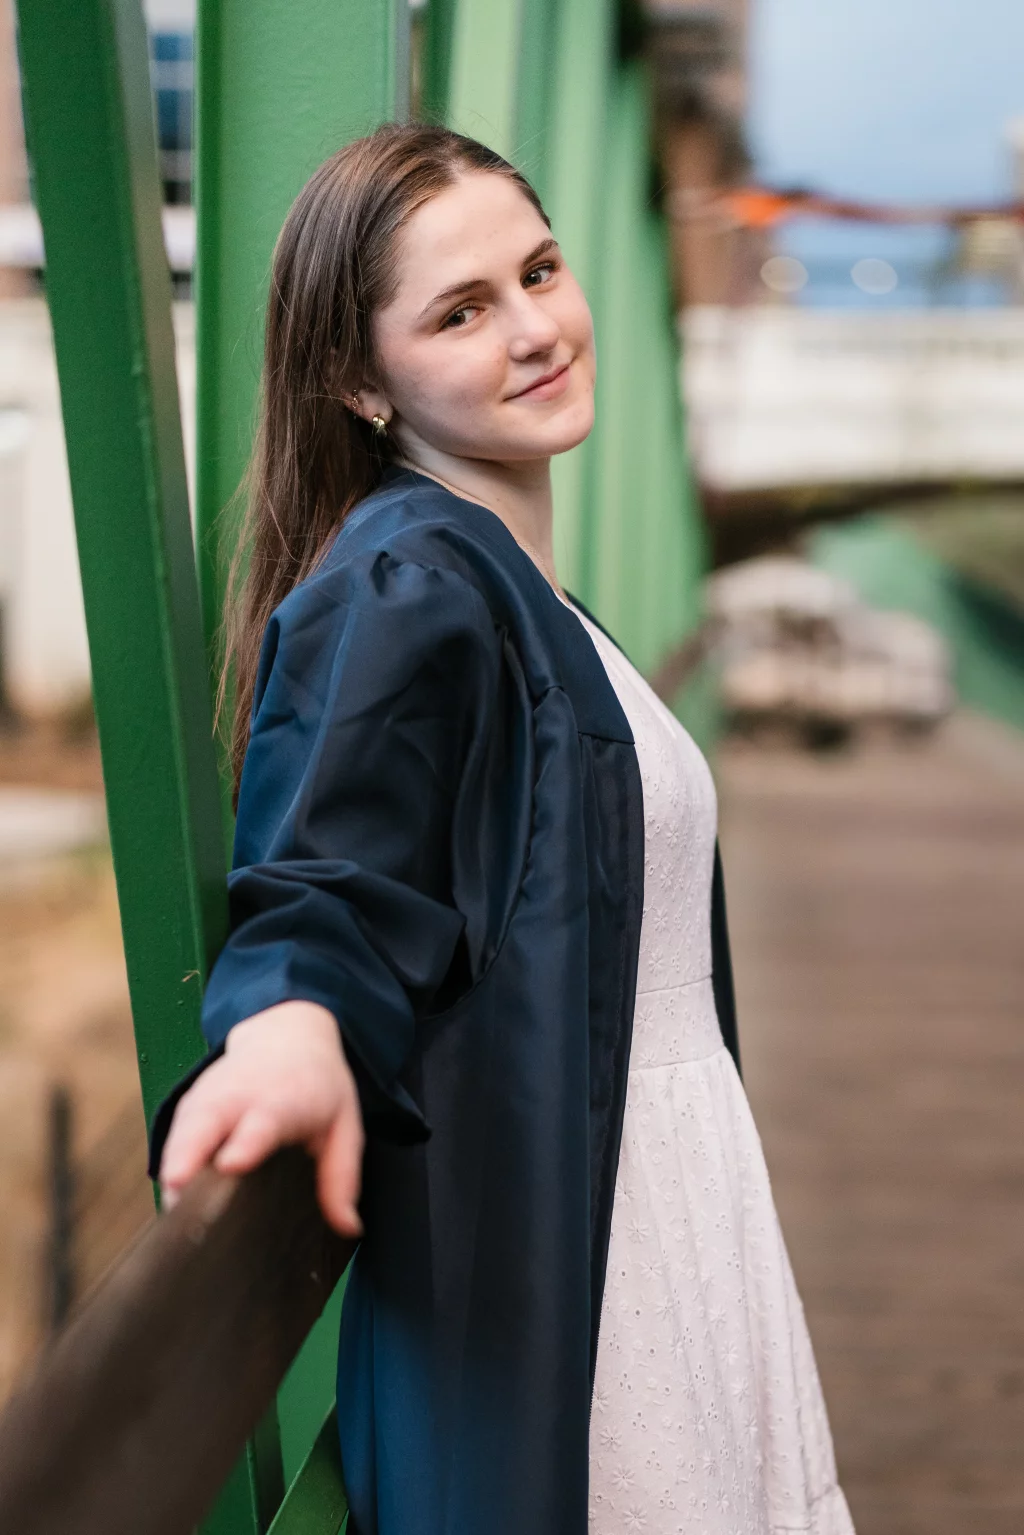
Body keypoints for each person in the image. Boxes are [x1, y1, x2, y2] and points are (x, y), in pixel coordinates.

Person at [150, 123, 854, 1535]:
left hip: (666, 1196)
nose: (535, 329)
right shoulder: (412, 580)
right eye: (461, 312)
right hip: (578, 1257)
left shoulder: (521, 591)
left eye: (538, 271)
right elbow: (328, 869)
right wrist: (290, 1023)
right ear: (358, 382)